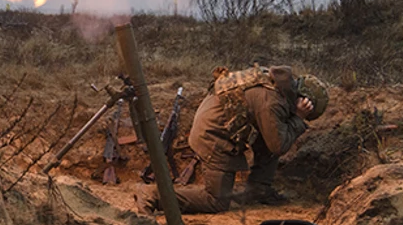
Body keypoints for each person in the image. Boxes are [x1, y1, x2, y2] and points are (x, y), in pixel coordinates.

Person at [134, 64, 329, 215]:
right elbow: (279, 146)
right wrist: (298, 118)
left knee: (274, 132)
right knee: (216, 201)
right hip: (212, 135)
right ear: (302, 99)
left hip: (214, 121)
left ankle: (258, 189)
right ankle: (153, 195)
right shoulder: (272, 102)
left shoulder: (275, 84)